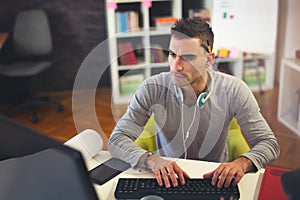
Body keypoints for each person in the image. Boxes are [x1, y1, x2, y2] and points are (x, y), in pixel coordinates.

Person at [108, 18, 279, 189]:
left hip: (214, 178)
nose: (176, 66)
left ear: (209, 59)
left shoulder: (234, 89)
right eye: (172, 54)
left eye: (187, 58)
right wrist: (151, 160)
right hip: (167, 177)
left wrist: (243, 163)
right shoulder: (152, 88)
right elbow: (116, 140)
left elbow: (269, 143)